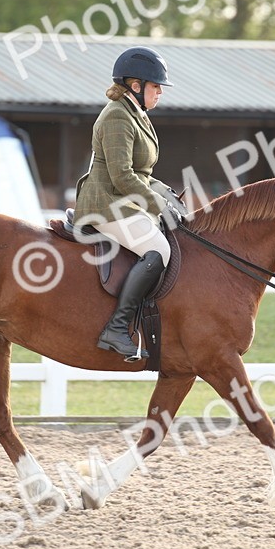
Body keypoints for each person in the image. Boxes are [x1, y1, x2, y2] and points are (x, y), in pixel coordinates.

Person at [73, 46, 184, 361]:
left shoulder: (136, 115)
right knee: (158, 250)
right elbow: (122, 176)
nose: (160, 92)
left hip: (122, 200)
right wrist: (156, 204)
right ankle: (117, 328)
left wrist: (166, 194)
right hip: (105, 202)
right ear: (136, 85)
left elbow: (141, 174)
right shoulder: (118, 116)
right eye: (155, 86)